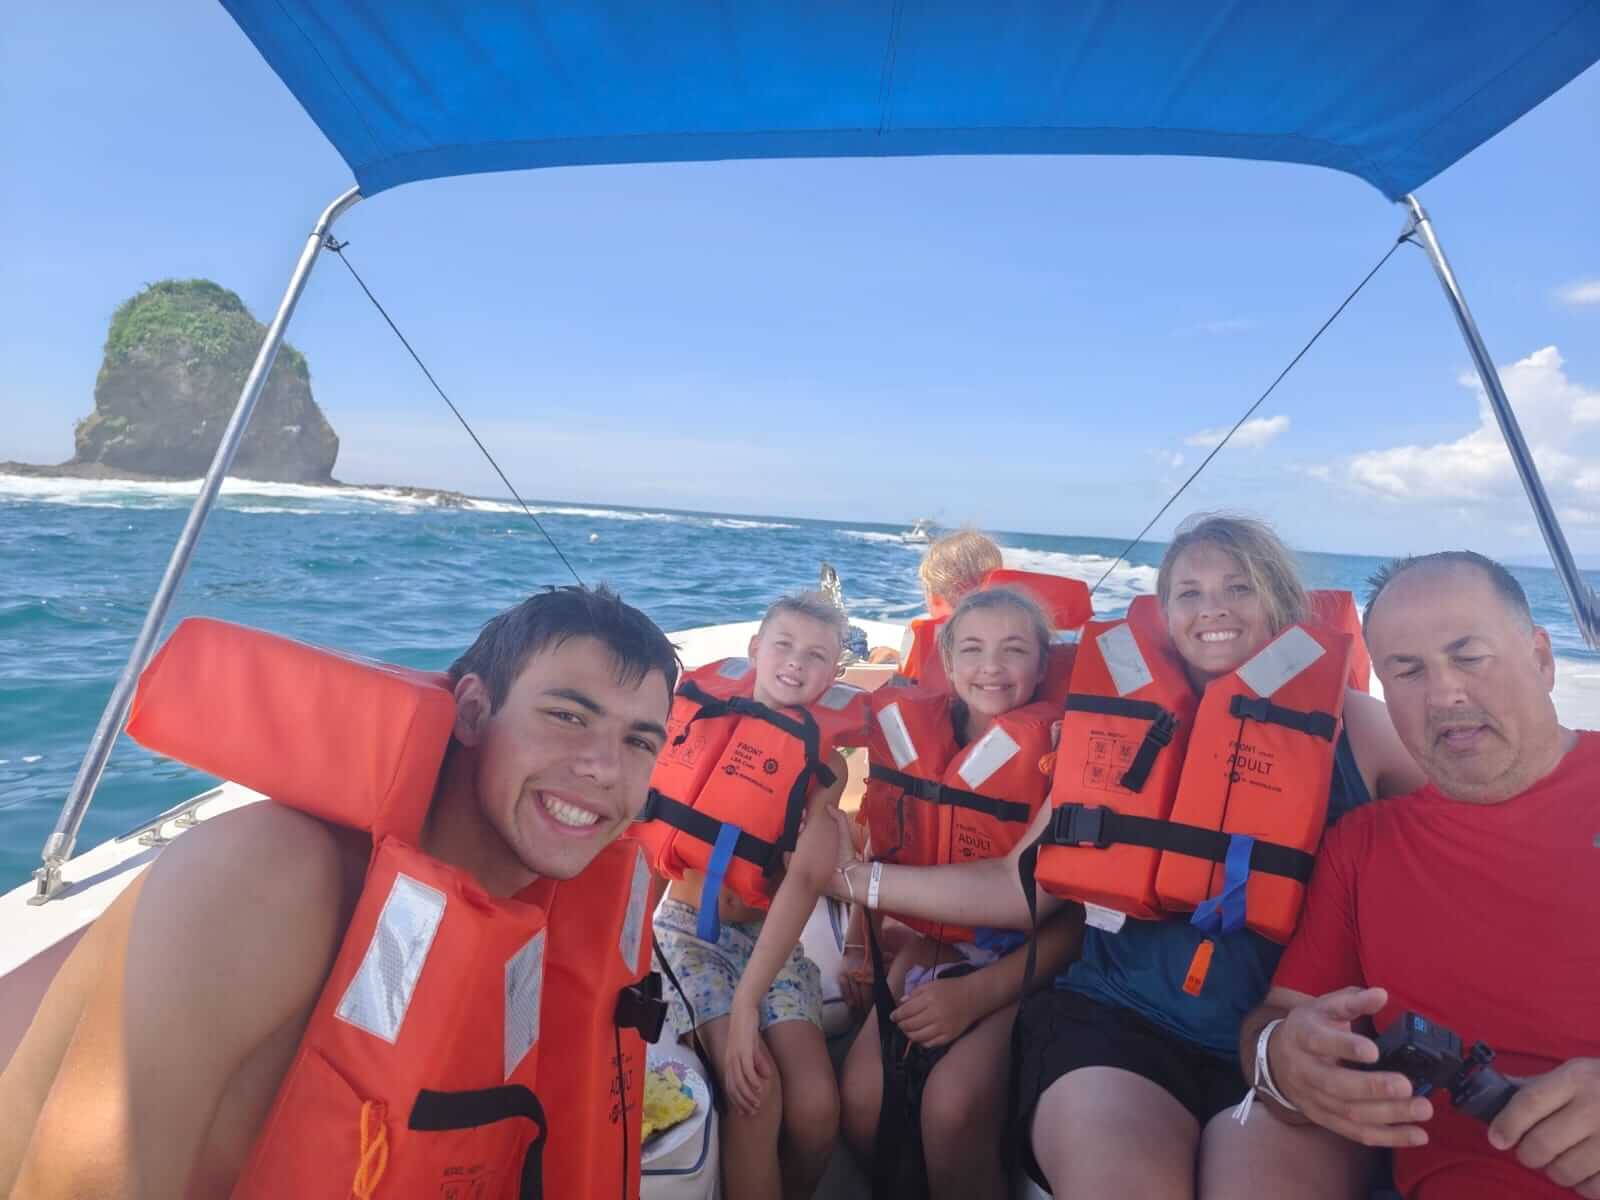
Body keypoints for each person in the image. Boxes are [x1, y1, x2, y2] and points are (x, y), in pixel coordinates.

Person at [817, 514, 1426, 1199]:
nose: (1213, 608)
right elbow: (1013, 885)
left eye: (1239, 588)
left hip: (1287, 1037)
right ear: (1165, 613)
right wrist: (853, 880)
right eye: (1189, 593)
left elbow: (1463, 831)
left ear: (1281, 600)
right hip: (1117, 1023)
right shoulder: (1111, 728)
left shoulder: (1358, 726)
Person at [0, 586, 679, 1198]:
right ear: (474, 712)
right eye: (567, 716)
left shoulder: (527, 918)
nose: (603, 767)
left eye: (638, 742)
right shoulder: (263, 880)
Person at [1238, 551, 1600, 1199]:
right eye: (1407, 671)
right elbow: (1281, 1017)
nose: (1444, 694)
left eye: (1470, 657)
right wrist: (1283, 1064)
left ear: (1542, 660)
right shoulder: (1364, 846)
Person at [840, 586, 1085, 1200]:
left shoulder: (1070, 758)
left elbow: (1073, 924)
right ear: (947, 664)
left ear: (1043, 664)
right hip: (929, 947)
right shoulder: (911, 741)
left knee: (952, 1109)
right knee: (862, 1100)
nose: (991, 667)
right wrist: (858, 949)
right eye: (972, 649)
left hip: (1025, 969)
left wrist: (975, 996)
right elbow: (877, 844)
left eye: (1014, 650)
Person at [649, 593, 853, 1200]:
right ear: (756, 649)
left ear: (833, 675)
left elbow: (804, 883)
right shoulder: (693, 723)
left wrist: (747, 1007)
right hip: (687, 933)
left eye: (816, 656)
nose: (796, 662)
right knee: (757, 1097)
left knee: (816, 1108)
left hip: (769, 940)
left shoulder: (827, 769)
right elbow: (645, 838)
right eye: (784, 646)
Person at [868, 529, 1004, 673]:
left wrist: (902, 661)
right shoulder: (1012, 634)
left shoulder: (928, 638)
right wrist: (899, 657)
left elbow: (914, 679)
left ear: (935, 596)